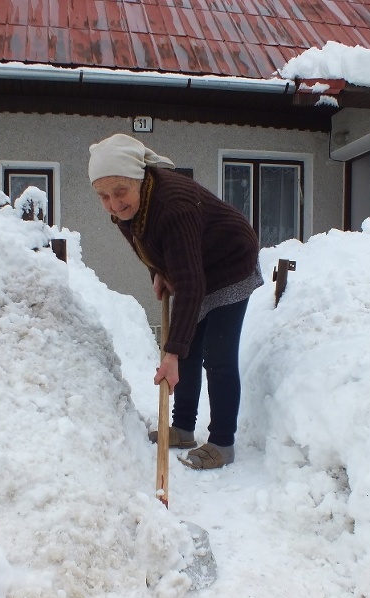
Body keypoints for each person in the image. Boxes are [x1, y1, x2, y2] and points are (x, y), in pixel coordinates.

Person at [88, 134, 263, 470]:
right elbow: (144, 241)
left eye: (120, 192)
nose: (113, 204)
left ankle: (222, 442)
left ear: (139, 179)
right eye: (103, 196)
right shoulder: (127, 205)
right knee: (189, 349)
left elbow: (192, 284)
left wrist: (170, 353)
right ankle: (183, 428)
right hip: (195, 266)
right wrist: (159, 269)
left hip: (230, 263)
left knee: (216, 356)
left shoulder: (173, 206)